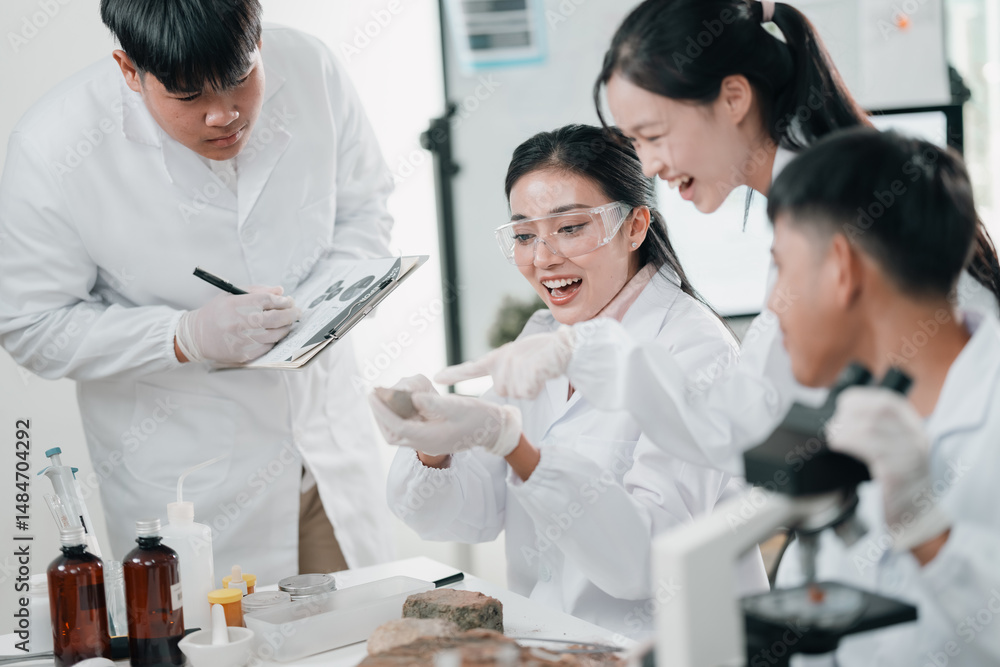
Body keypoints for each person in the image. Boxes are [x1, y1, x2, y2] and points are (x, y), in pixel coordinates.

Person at [435, 0, 1000, 477]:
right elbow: (747, 417)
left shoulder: (835, 212)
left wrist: (592, 359)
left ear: (733, 98)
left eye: (654, 135)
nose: (649, 166)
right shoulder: (809, 195)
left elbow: (749, 421)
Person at [0, 0, 395, 581]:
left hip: (325, 451)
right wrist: (184, 337)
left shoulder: (311, 66)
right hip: (191, 484)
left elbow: (364, 207)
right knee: (214, 629)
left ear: (259, 39)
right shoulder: (54, 146)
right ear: (129, 70)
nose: (224, 116)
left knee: (359, 621)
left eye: (240, 79)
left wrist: (321, 309)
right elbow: (32, 325)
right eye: (188, 97)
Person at [370, 125, 769, 640]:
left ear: (634, 227)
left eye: (570, 227)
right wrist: (433, 447)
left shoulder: (696, 350)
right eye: (524, 235)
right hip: (551, 639)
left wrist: (515, 446)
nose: (543, 258)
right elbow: (467, 517)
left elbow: (644, 564)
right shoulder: (543, 336)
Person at [764, 129, 1000, 665]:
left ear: (841, 267)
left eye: (782, 267)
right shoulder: (852, 412)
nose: (774, 303)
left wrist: (930, 536)